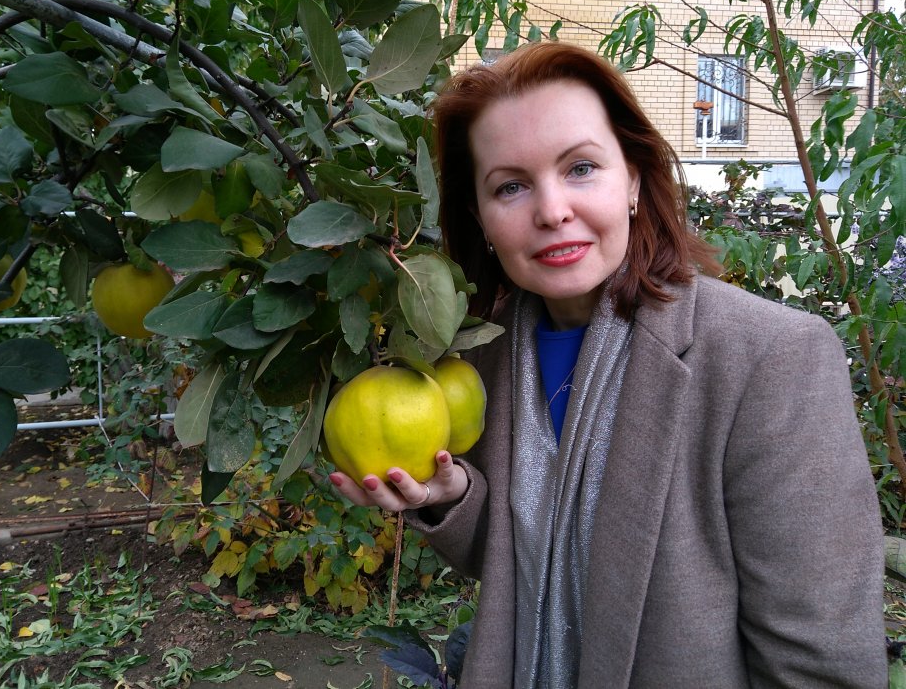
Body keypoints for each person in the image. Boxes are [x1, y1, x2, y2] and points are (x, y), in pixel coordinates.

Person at [328, 42, 886, 688]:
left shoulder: (769, 359)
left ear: (634, 180)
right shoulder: (483, 356)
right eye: (510, 186)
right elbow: (529, 561)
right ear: (480, 218)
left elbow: (817, 656)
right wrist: (451, 499)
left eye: (581, 168)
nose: (551, 210)